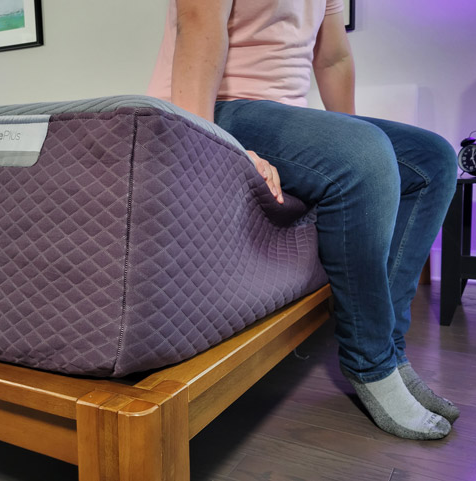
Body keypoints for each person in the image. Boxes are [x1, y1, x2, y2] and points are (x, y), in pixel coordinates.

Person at [147, 0, 459, 440]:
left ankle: (391, 349)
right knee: (363, 154)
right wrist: (209, 144)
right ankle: (370, 363)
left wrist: (357, 144)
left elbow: (333, 56)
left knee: (434, 159)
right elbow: (197, 23)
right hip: (217, 107)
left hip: (284, 115)